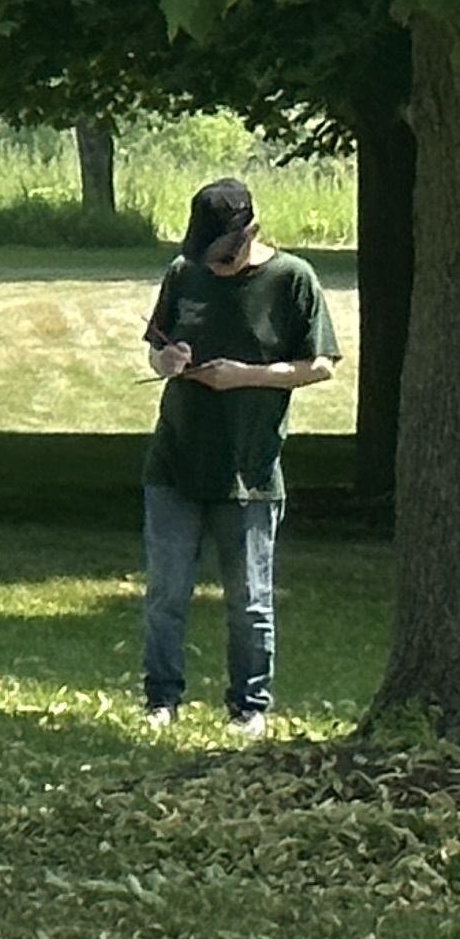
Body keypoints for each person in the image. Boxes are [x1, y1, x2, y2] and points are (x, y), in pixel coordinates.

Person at [139, 175, 338, 736]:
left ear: (249, 234)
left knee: (249, 599)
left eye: (224, 258)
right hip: (174, 459)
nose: (217, 267)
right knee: (165, 591)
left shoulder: (292, 280)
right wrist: (170, 361)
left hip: (249, 468)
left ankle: (249, 707)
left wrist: (244, 378)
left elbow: (320, 365)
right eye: (210, 258)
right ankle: (160, 699)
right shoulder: (184, 275)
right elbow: (156, 349)